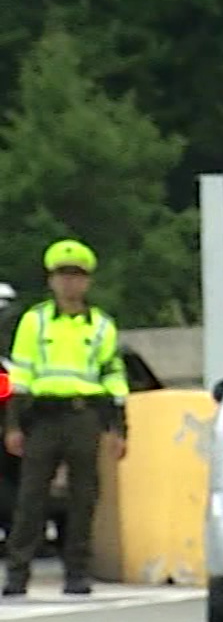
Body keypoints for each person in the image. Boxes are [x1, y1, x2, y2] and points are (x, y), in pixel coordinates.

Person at [4, 238, 128, 597]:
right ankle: (17, 574)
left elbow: (114, 378)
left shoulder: (101, 326)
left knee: (83, 497)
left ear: (87, 281)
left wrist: (118, 427)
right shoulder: (35, 322)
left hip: (84, 416)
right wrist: (13, 425)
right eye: (63, 275)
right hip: (43, 418)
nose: (69, 283)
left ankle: (77, 573)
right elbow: (20, 376)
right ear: (51, 280)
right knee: (31, 497)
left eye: (76, 276)